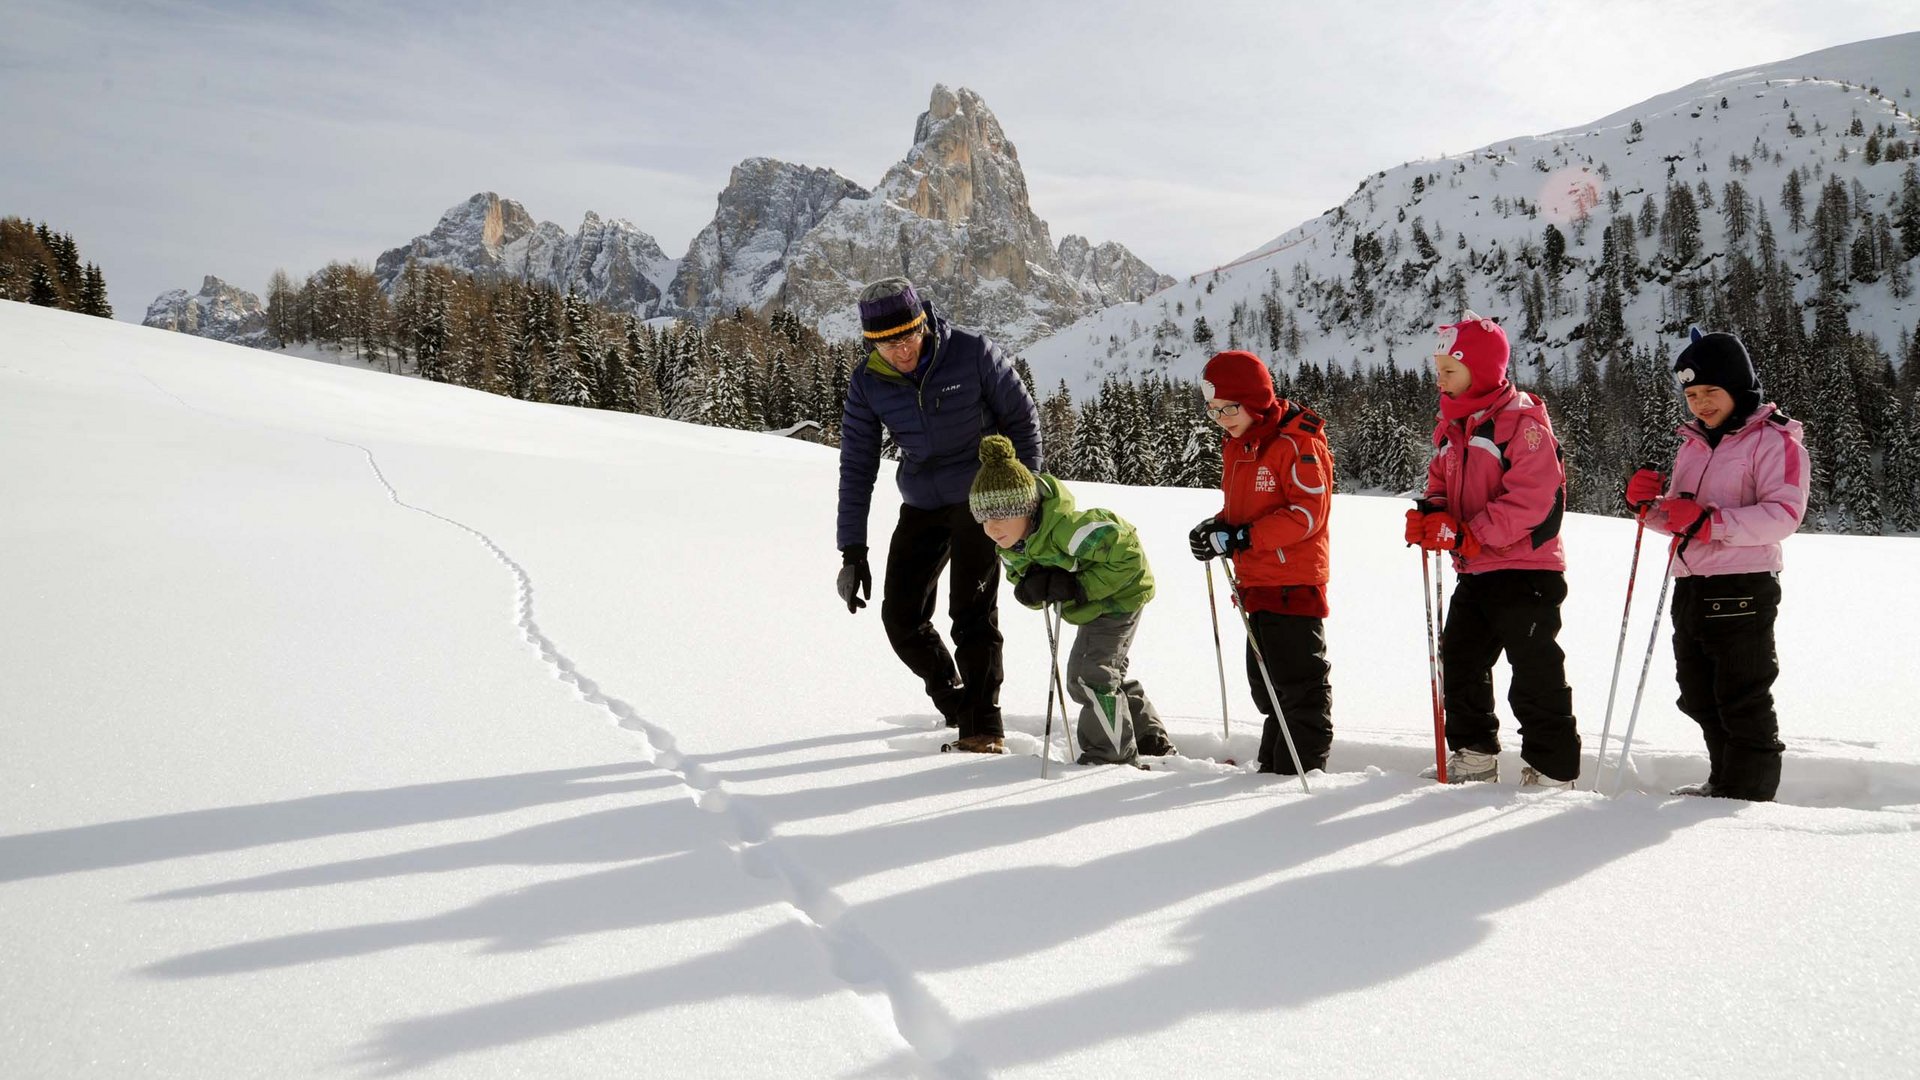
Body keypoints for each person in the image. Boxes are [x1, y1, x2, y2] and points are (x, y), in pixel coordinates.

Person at [835, 277, 1042, 753]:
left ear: (923, 323)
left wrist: (1024, 498)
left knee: (971, 611)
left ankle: (983, 728)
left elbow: (1023, 421)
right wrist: (852, 549)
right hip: (923, 503)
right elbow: (856, 465)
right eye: (888, 343)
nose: (902, 350)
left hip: (981, 498)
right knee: (900, 616)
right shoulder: (868, 382)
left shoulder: (972, 353)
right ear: (872, 343)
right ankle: (956, 703)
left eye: (908, 336)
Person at [1624, 329, 1808, 802]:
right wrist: (1649, 507)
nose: (1700, 403)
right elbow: (1685, 517)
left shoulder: (1775, 440)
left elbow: (1783, 515)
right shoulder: (1694, 443)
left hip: (1743, 587)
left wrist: (1710, 522)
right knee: (1698, 694)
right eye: (1691, 395)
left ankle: (1746, 797)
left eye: (1710, 392)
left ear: (1737, 388)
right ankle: (1723, 781)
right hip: (1691, 584)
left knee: (1742, 698)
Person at [1408, 311, 1580, 788]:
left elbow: (1533, 499)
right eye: (1438, 369)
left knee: (1533, 668)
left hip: (1526, 568)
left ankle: (1553, 767)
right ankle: (1474, 752)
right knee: (1460, 659)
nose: (1440, 379)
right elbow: (1439, 482)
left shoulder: (1522, 423)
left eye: (1450, 370)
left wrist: (1470, 533)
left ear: (1481, 371)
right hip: (1477, 567)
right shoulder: (1452, 426)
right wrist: (1431, 514)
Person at [969, 435, 1174, 763]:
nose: (992, 527)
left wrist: (1079, 586)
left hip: (1121, 597)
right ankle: (1148, 735)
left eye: (1001, 515)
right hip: (1089, 607)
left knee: (1091, 675)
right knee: (1100, 672)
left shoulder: (1073, 530)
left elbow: (1130, 559)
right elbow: (1028, 586)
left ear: (1026, 507)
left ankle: (1110, 756)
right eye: (983, 518)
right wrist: (1032, 592)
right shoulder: (1011, 546)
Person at [1187, 350, 1334, 776]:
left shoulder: (1297, 443)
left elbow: (1308, 515)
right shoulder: (1240, 444)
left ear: (1255, 398)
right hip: (1257, 582)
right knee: (1268, 689)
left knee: (1298, 687)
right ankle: (1273, 767)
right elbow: (1246, 510)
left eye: (1229, 407)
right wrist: (1216, 528)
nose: (1221, 418)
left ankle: (1301, 773)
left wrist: (1242, 537)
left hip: (1293, 581)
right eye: (1213, 411)